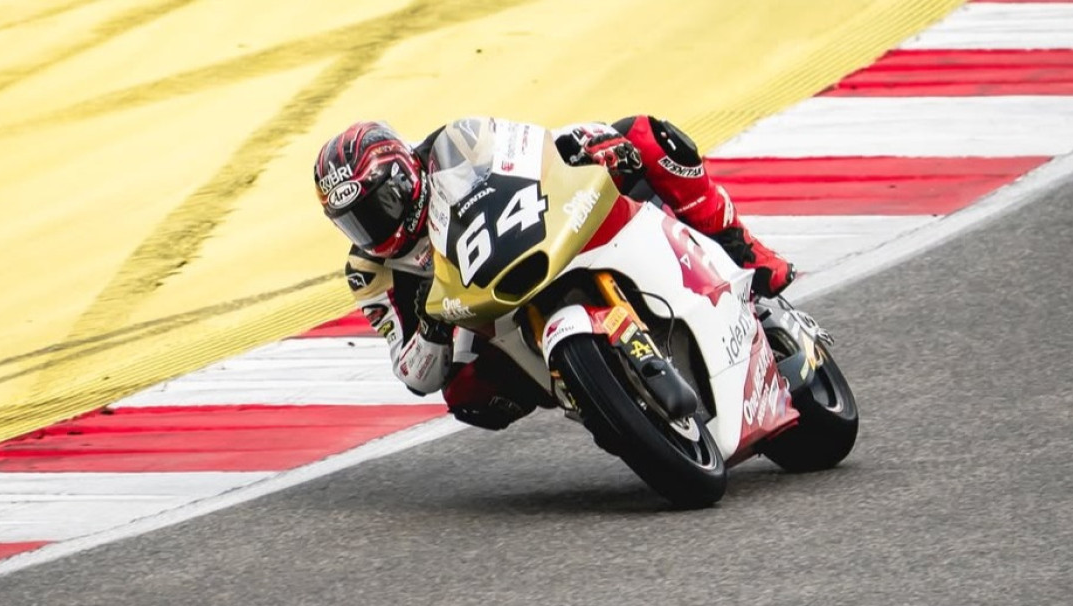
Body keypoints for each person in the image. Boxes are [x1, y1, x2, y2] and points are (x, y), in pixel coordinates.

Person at [312, 116, 797, 431]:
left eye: (379, 205)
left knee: (646, 135)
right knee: (465, 395)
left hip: (543, 233)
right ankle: (593, 396)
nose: (373, 226)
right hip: (481, 311)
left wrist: (588, 141)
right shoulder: (367, 272)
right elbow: (413, 374)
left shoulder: (453, 146)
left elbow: (532, 147)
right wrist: (431, 330)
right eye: (355, 221)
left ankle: (744, 251)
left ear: (404, 176)